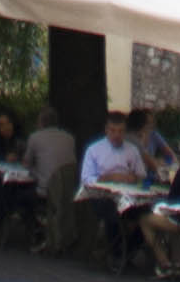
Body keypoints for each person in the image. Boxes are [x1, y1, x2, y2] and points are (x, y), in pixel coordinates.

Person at [81, 112, 151, 269]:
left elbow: (141, 175)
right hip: (102, 197)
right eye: (113, 131)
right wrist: (108, 177)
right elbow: (86, 179)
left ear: (125, 132)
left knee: (148, 215)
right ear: (106, 130)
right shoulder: (94, 150)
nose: (116, 135)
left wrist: (133, 178)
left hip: (129, 198)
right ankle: (116, 254)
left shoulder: (132, 150)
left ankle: (126, 251)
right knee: (113, 215)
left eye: (120, 131)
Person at [21, 111, 80, 254]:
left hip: (47, 188)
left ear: (40, 123)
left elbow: (26, 164)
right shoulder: (69, 138)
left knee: (22, 198)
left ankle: (38, 233)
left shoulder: (35, 137)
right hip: (67, 188)